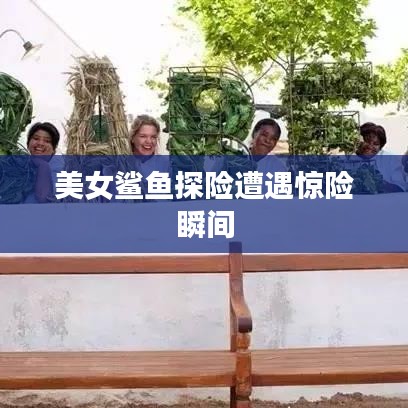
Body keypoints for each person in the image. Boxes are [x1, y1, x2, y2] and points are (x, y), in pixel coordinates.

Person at [355, 122, 405, 193]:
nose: (370, 146)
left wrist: (380, 183)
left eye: (376, 144)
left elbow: (401, 187)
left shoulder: (390, 159)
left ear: (380, 146)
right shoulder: (347, 158)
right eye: (367, 141)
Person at [24, 122, 64, 203]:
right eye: (36, 138)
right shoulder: (18, 166)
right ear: (28, 144)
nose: (40, 143)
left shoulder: (60, 171)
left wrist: (42, 165)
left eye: (47, 141)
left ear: (54, 149)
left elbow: (43, 198)